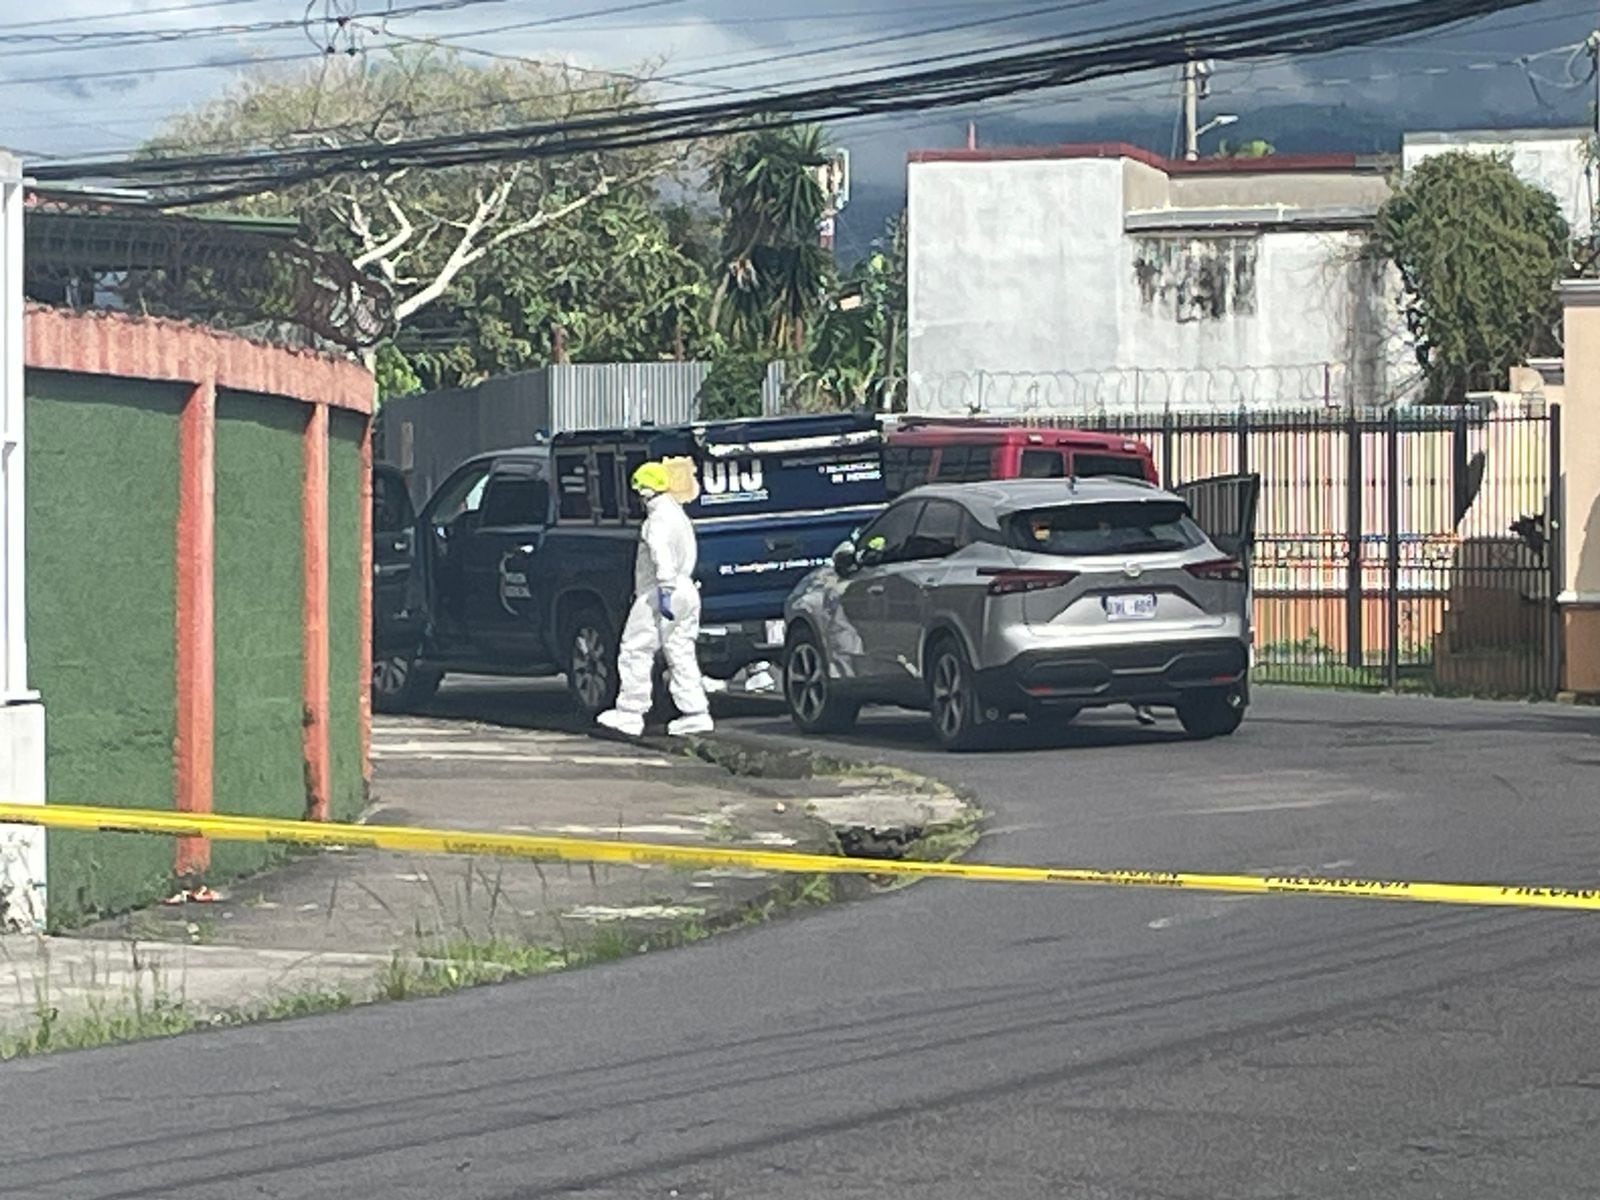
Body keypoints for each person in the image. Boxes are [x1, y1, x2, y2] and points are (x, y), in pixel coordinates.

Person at [596, 461, 714, 738]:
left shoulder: (657, 521)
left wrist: (664, 587)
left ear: (645, 491)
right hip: (686, 590)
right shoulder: (679, 515)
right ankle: (696, 712)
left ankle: (630, 712)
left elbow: (661, 555)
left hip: (660, 592)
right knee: (681, 650)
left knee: (635, 648)